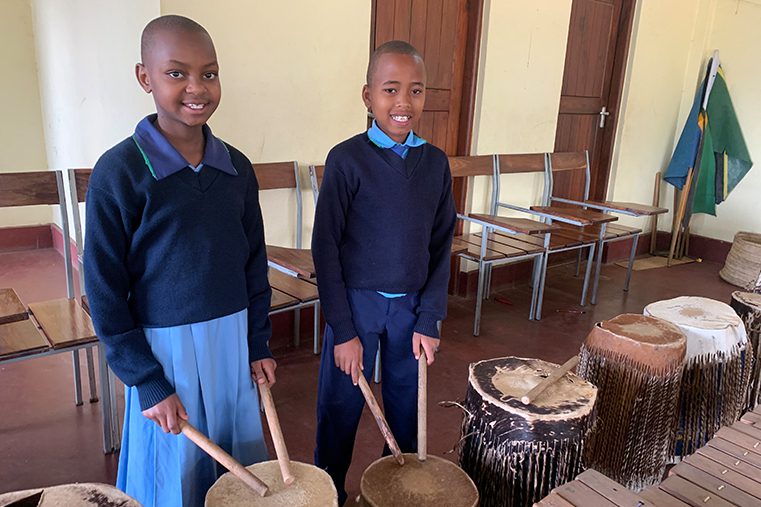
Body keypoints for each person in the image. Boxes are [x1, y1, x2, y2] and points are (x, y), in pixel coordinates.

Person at [83, 15, 275, 507]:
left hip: (232, 344)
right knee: (175, 473)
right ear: (145, 77)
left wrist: (258, 344)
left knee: (238, 477)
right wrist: (146, 381)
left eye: (209, 74)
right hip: (166, 356)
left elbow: (254, 263)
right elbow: (104, 289)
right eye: (176, 74)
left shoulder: (236, 169)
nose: (197, 88)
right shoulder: (119, 171)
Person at [312, 40, 456, 504]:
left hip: (410, 312)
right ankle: (329, 489)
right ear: (367, 96)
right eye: (390, 90)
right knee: (340, 406)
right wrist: (343, 329)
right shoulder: (347, 160)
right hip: (355, 307)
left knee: (405, 409)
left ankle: (392, 491)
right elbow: (325, 246)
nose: (403, 103)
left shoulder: (434, 164)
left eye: (416, 91)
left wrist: (430, 318)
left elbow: (441, 244)